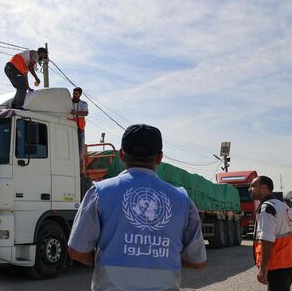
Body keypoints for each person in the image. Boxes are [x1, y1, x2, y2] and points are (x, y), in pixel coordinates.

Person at [68, 124, 206, 291]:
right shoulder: (183, 200)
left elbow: (76, 250)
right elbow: (197, 261)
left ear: (120, 155)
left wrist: (107, 258)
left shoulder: (100, 193)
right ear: (159, 157)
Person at [249, 176, 292, 291]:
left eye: (253, 186)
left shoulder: (267, 209)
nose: (250, 189)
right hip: (291, 262)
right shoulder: (282, 206)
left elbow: (266, 240)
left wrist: (264, 268)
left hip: (279, 264)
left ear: (263, 188)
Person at [70, 87, 89, 158]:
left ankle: (78, 165)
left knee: (79, 150)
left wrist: (75, 112)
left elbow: (86, 113)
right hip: (69, 128)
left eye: (76, 93)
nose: (74, 95)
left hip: (80, 129)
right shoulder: (68, 102)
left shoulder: (83, 103)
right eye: (73, 93)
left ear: (80, 94)